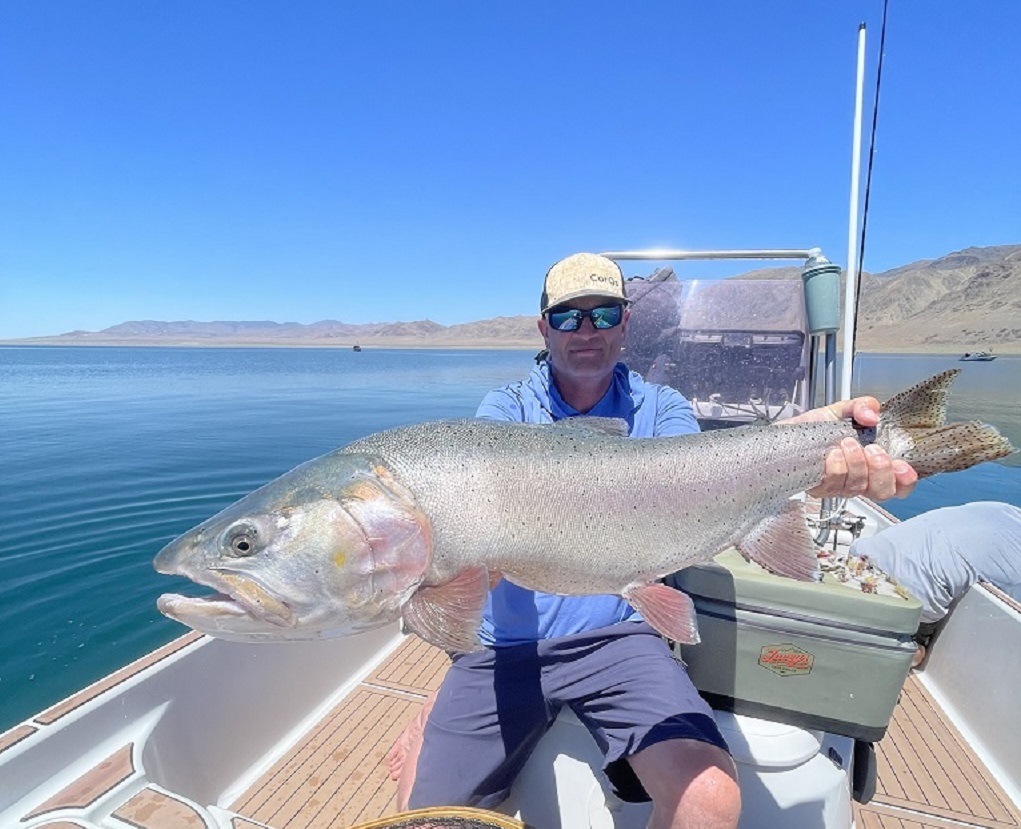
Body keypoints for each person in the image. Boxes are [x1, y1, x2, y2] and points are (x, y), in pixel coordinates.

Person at [389, 252, 918, 829]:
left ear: (625, 323)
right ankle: (433, 722)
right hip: (505, 648)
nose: (585, 331)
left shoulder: (663, 408)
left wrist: (805, 443)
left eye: (603, 314)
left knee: (711, 798)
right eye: (567, 317)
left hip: (620, 637)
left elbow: (699, 475)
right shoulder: (504, 411)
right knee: (422, 818)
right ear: (544, 328)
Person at [850, 501, 1021, 662]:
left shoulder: (1001, 508)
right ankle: (899, 651)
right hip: (908, 598)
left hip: (861, 557)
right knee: (917, 655)